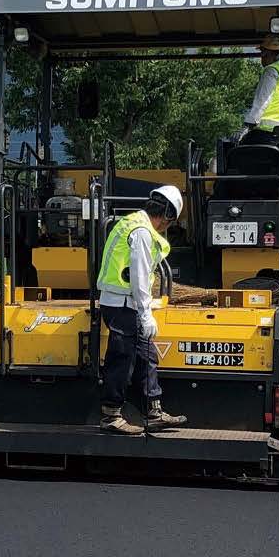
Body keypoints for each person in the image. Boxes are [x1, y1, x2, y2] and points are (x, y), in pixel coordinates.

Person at [97, 186, 188, 436]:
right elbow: (138, 277)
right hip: (121, 305)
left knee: (147, 355)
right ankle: (111, 415)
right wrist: (146, 313)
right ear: (167, 212)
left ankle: (153, 411)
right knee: (122, 357)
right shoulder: (141, 232)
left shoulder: (135, 224)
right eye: (170, 219)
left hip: (127, 303)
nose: (167, 226)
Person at [234, 34, 279, 147]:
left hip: (266, 135)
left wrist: (247, 126)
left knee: (232, 151)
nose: (262, 58)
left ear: (274, 54)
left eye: (264, 53)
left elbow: (262, 101)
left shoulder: (272, 71)